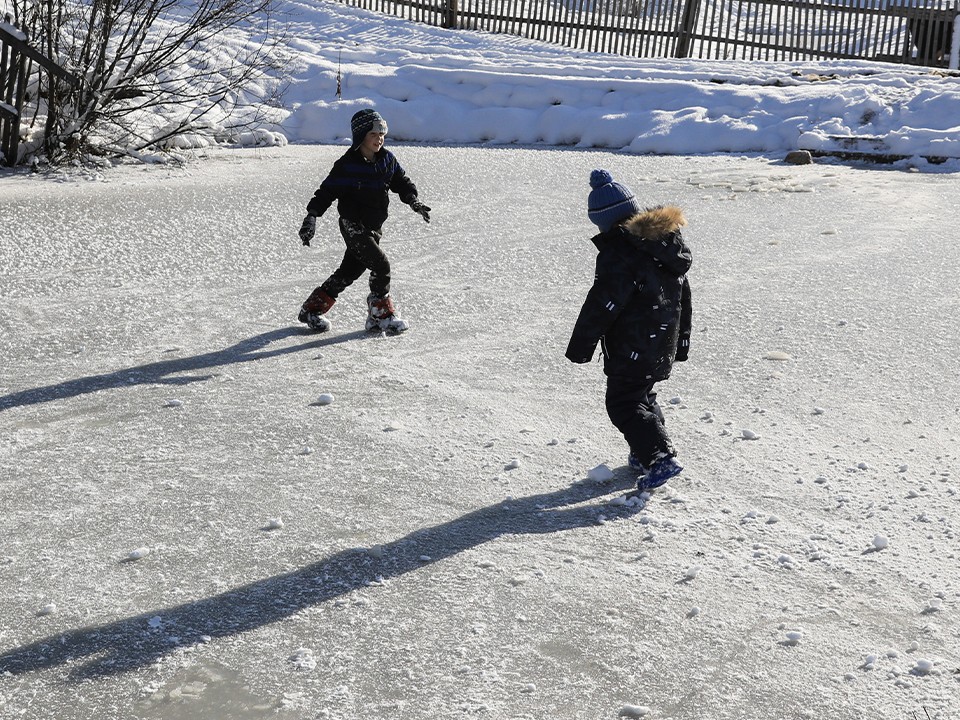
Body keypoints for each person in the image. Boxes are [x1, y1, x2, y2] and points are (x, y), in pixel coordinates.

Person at [565, 169, 693, 491]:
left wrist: (581, 346)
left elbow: (602, 303)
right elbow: (683, 296)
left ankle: (661, 456)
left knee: (623, 403)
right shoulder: (663, 245)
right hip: (661, 340)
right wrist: (681, 342)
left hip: (633, 344)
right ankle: (644, 450)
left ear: (603, 222)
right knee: (643, 395)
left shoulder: (619, 254)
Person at [297, 108, 431, 334]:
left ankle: (312, 309)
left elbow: (402, 182)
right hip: (353, 225)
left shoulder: (387, 160)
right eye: (373, 134)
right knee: (381, 265)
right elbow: (326, 193)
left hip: (374, 226)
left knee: (349, 271)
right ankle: (380, 314)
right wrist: (312, 216)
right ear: (361, 136)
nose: (379, 139)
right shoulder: (346, 165)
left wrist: (413, 201)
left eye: (382, 134)